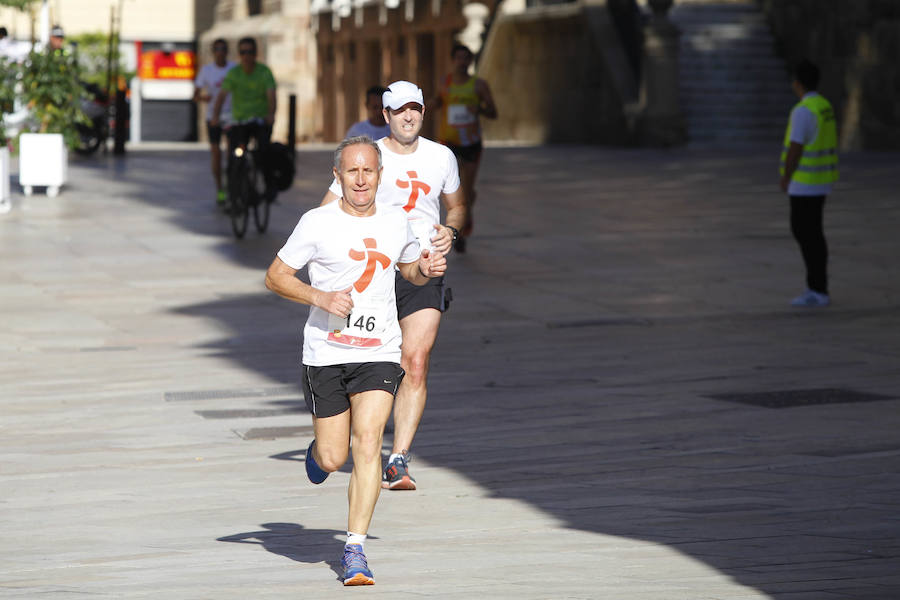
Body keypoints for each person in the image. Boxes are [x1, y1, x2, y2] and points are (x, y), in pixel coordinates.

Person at [265, 135, 447, 585]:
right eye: (352, 171)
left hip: (380, 351)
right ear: (338, 176)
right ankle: (318, 455)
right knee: (333, 456)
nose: (361, 179)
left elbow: (406, 268)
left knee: (367, 443)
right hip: (326, 353)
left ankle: (354, 549)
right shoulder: (316, 222)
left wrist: (424, 269)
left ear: (379, 177)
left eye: (369, 171)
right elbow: (275, 276)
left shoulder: (395, 220)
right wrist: (320, 296)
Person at [321, 80, 465, 491]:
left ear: (424, 111)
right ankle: (334, 435)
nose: (408, 116)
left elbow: (457, 206)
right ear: (385, 115)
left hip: (423, 267)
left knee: (414, 362)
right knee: (363, 364)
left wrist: (450, 232)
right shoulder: (368, 157)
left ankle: (398, 458)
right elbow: (326, 210)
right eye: (399, 109)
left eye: (415, 108)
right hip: (373, 273)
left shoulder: (442, 157)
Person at [779, 59, 838, 308]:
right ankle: (818, 286)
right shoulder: (824, 105)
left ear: (797, 83)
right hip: (821, 180)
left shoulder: (802, 110)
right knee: (813, 233)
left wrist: (786, 175)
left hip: (805, 182)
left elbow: (796, 147)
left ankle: (816, 288)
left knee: (805, 232)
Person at [431, 43, 497, 253]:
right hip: (448, 142)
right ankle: (462, 219)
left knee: (466, 191)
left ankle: (461, 230)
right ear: (453, 60)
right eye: (458, 57)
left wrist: (478, 109)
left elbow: (493, 113)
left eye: (465, 58)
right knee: (452, 188)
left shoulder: (479, 85)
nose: (462, 62)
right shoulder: (445, 83)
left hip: (471, 142)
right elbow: (437, 102)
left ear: (470, 61)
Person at [210, 36, 276, 197]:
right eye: (243, 52)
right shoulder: (234, 73)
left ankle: (269, 187)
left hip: (259, 120)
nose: (247, 56)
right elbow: (221, 96)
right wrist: (215, 117)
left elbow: (271, 96)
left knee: (264, 151)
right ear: (239, 54)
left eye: (250, 52)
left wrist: (271, 115)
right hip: (239, 122)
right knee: (235, 154)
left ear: (255, 54)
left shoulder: (264, 72)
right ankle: (233, 191)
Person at [194, 38, 236, 207]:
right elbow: (195, 95)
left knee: (233, 152)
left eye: (223, 49)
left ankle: (234, 182)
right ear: (213, 52)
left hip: (232, 116)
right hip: (213, 117)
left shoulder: (234, 69)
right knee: (216, 153)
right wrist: (205, 97)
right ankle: (220, 188)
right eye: (217, 49)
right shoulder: (206, 71)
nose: (220, 52)